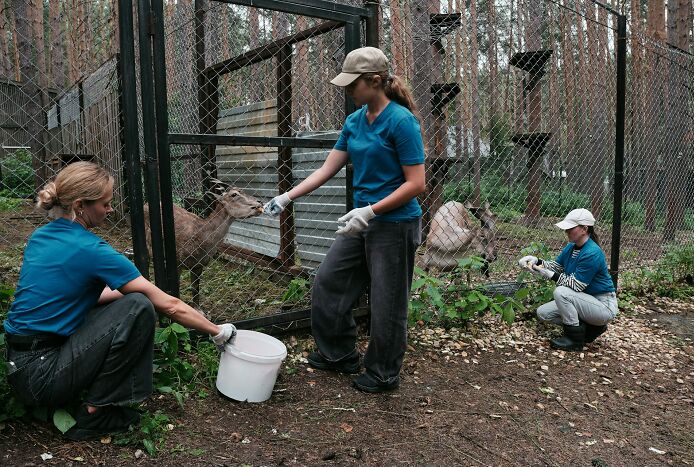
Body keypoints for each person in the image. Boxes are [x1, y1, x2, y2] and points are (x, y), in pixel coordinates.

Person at [3, 162, 237, 440]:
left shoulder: (41, 236)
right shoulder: (92, 249)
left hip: (21, 365)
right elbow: (170, 306)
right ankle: (96, 411)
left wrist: (140, 288)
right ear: (80, 205)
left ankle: (93, 399)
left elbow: (79, 295)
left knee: (133, 299)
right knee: (140, 307)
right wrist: (219, 331)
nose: (111, 210)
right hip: (43, 376)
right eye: (105, 204)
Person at [263, 47, 425, 393]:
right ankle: (338, 354)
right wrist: (287, 196)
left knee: (387, 301)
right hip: (361, 221)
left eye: (353, 85)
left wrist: (371, 210)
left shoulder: (401, 121)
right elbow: (326, 168)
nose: (348, 91)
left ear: (375, 81)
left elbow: (416, 183)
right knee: (329, 281)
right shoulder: (354, 122)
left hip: (394, 224)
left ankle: (383, 372)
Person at [519, 208, 618, 351]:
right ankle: (589, 329)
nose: (566, 231)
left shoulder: (592, 252)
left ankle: (574, 340)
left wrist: (549, 274)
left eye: (570, 228)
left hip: (603, 306)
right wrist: (535, 262)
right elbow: (556, 266)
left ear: (584, 229)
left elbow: (576, 286)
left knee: (561, 292)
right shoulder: (571, 247)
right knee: (543, 313)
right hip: (585, 300)